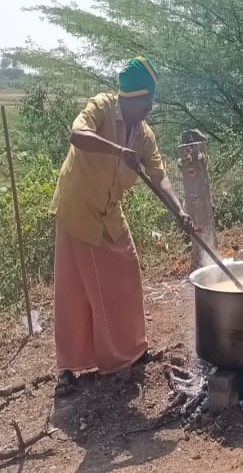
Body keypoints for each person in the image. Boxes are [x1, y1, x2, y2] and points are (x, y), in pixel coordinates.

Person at [51, 57, 192, 397]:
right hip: (78, 208)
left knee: (127, 271)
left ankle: (132, 350)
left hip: (109, 212)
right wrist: (117, 150)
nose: (150, 107)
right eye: (147, 101)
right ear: (130, 98)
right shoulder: (101, 107)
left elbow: (160, 176)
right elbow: (77, 134)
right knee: (76, 291)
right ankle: (67, 370)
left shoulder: (144, 136)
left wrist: (179, 211)